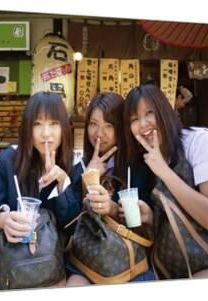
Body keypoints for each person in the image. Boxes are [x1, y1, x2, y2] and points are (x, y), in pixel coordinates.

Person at [123, 84, 208, 278]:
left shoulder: (198, 141)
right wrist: (151, 219)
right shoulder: (146, 160)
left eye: (149, 113)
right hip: (168, 269)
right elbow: (178, 225)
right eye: (134, 119)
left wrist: (164, 171)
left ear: (164, 111)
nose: (143, 123)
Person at [66, 92, 155, 286]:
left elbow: (147, 225)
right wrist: (86, 181)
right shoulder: (79, 168)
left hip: (129, 258)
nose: (99, 133)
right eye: (93, 124)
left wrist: (114, 209)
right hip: (88, 259)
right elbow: (70, 224)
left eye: (109, 125)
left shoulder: (138, 166)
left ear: (121, 129)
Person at [0, 91, 80, 245]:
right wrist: (3, 220)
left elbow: (72, 226)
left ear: (64, 128)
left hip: (56, 262)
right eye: (37, 124)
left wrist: (62, 181)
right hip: (15, 259)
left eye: (54, 123)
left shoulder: (73, 164)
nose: (46, 133)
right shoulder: (9, 159)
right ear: (27, 128)